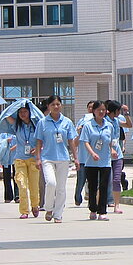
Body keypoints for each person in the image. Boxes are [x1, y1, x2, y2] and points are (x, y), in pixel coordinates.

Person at [33, 95, 78, 223]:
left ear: (61, 105)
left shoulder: (67, 122)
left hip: (63, 158)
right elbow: (38, 142)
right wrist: (37, 158)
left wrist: (76, 158)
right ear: (48, 106)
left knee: (61, 188)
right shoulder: (42, 122)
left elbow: (71, 141)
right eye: (53, 104)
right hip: (47, 157)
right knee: (51, 183)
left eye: (58, 104)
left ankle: (58, 214)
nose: (56, 107)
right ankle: (48, 207)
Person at [80, 100, 114, 221]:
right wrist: (92, 153)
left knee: (104, 186)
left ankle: (102, 211)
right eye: (98, 109)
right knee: (93, 187)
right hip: (91, 161)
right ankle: (93, 209)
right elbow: (85, 142)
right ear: (93, 111)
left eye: (103, 110)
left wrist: (113, 150)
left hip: (105, 161)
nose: (101, 112)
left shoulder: (109, 125)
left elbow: (110, 141)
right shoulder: (88, 126)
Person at [7, 103, 40, 218]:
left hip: (33, 159)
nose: (22, 114)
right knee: (21, 184)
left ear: (30, 112)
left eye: (25, 111)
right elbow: (6, 115)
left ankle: (35, 205)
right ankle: (24, 210)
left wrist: (37, 148)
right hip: (20, 159)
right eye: (20, 112)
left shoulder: (36, 124)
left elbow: (43, 139)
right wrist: (17, 104)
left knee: (33, 185)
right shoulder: (17, 125)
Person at [104, 100, 133, 214]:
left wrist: (126, 114)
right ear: (114, 110)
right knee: (105, 180)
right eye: (119, 110)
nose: (119, 112)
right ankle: (100, 203)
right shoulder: (104, 122)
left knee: (116, 179)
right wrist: (110, 149)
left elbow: (129, 125)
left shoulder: (116, 121)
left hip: (118, 154)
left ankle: (116, 205)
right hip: (106, 155)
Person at [74, 101, 94, 206]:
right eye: (89, 107)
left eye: (93, 107)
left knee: (92, 181)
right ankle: (77, 197)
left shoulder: (98, 123)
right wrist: (79, 132)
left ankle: (92, 198)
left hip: (93, 158)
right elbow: (75, 143)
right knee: (80, 180)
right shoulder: (82, 122)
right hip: (82, 157)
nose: (91, 109)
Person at [0, 132, 19, 203]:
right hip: (6, 158)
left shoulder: (16, 130)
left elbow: (22, 141)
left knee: (17, 177)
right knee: (6, 177)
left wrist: (14, 147)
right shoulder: (3, 133)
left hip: (16, 156)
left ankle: (17, 196)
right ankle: (8, 196)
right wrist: (6, 141)